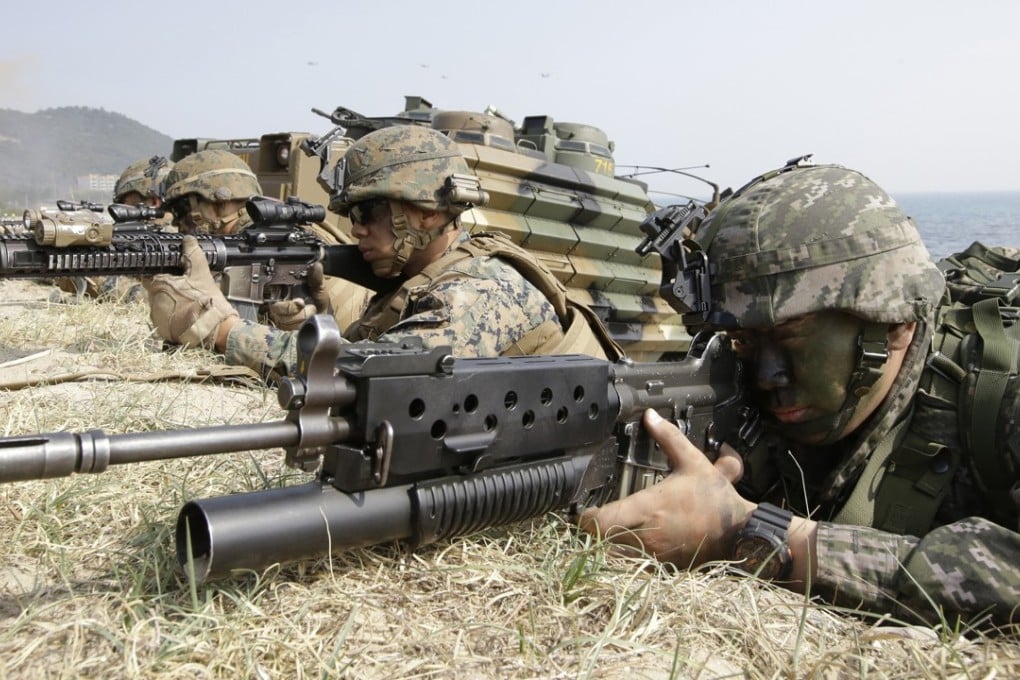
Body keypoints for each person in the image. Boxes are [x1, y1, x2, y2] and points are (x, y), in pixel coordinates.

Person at [580, 158, 1019, 631]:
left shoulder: (1000, 391)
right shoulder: (739, 388)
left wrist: (756, 537)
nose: (767, 375)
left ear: (893, 325)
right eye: (745, 339)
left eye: (793, 337)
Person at [143, 124, 619, 375]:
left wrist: (221, 329)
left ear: (427, 212)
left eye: (368, 213)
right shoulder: (426, 276)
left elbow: (363, 376)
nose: (356, 231)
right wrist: (317, 323)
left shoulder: (478, 293)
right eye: (352, 216)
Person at [157, 149, 371, 330]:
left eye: (183, 209)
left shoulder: (269, 238)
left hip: (351, 337)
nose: (180, 222)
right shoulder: (261, 232)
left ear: (219, 202)